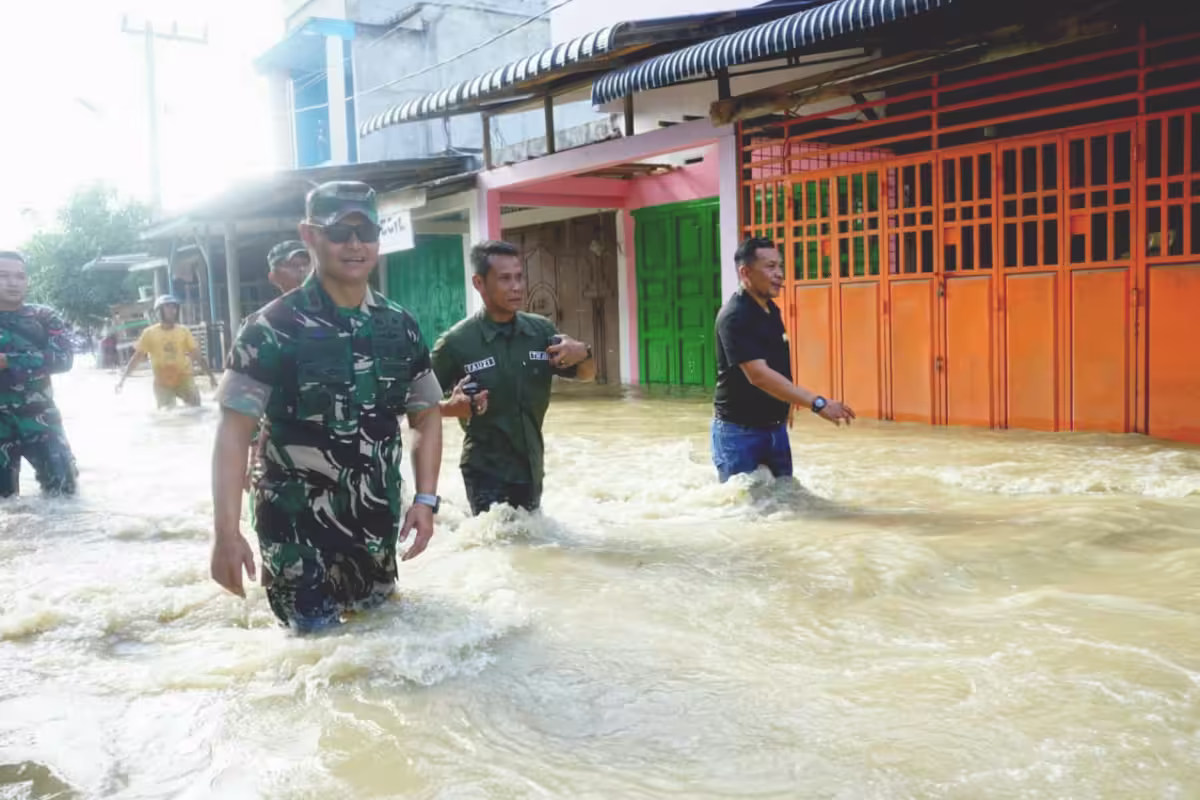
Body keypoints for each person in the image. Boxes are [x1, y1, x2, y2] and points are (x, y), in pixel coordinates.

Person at [209, 181, 444, 633]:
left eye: (366, 231)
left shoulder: (400, 325)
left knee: (377, 645)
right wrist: (226, 533)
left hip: (375, 524)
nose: (355, 244)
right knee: (316, 651)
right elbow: (233, 434)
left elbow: (427, 415)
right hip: (296, 531)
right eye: (339, 231)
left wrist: (426, 499)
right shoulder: (271, 328)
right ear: (309, 234)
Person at [431, 240, 595, 516]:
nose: (516, 286)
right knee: (499, 549)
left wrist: (584, 353)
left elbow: (588, 376)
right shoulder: (457, 343)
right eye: (505, 279)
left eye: (519, 277)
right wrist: (451, 408)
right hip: (485, 471)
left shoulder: (541, 332)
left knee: (532, 549)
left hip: (531, 467)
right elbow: (411, 407)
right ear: (479, 283)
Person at [712, 237, 856, 483]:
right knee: (743, 509)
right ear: (745, 272)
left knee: (784, 500)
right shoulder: (735, 316)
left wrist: (786, 404)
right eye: (770, 267)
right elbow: (758, 375)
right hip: (739, 433)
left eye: (780, 266)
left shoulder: (770, 310)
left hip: (775, 428)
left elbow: (777, 361)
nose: (779, 274)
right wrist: (817, 403)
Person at [0, 251, 78, 497]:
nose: (13, 282)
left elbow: (64, 360)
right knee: (5, 505)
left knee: (65, 495)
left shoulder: (44, 316)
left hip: (42, 420)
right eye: (3, 276)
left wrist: (7, 361)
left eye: (20, 276)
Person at [116, 294, 216, 407]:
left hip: (183, 378)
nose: (172, 311)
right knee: (167, 416)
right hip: (162, 381)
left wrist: (211, 376)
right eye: (167, 307)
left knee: (196, 408)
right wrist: (122, 380)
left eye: (174, 307)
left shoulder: (183, 331)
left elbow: (197, 356)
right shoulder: (149, 333)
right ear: (159, 312)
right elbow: (136, 358)